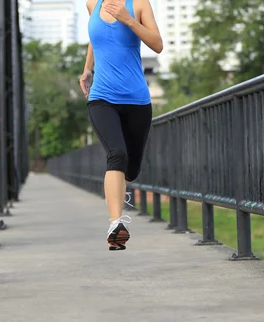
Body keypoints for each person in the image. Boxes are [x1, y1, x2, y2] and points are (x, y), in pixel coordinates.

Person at [79, 0, 163, 251]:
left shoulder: (138, 4)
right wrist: (86, 70)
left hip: (137, 100)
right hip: (102, 97)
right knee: (117, 154)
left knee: (131, 169)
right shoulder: (92, 3)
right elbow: (96, 38)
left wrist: (128, 19)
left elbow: (157, 45)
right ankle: (116, 226)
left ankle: (119, 186)